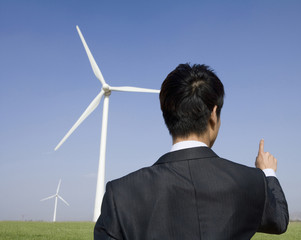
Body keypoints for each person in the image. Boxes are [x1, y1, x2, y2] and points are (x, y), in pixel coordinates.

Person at [94, 63, 289, 240]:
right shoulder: (251, 182)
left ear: (166, 112)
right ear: (214, 114)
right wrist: (267, 173)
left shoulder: (120, 194)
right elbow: (278, 221)